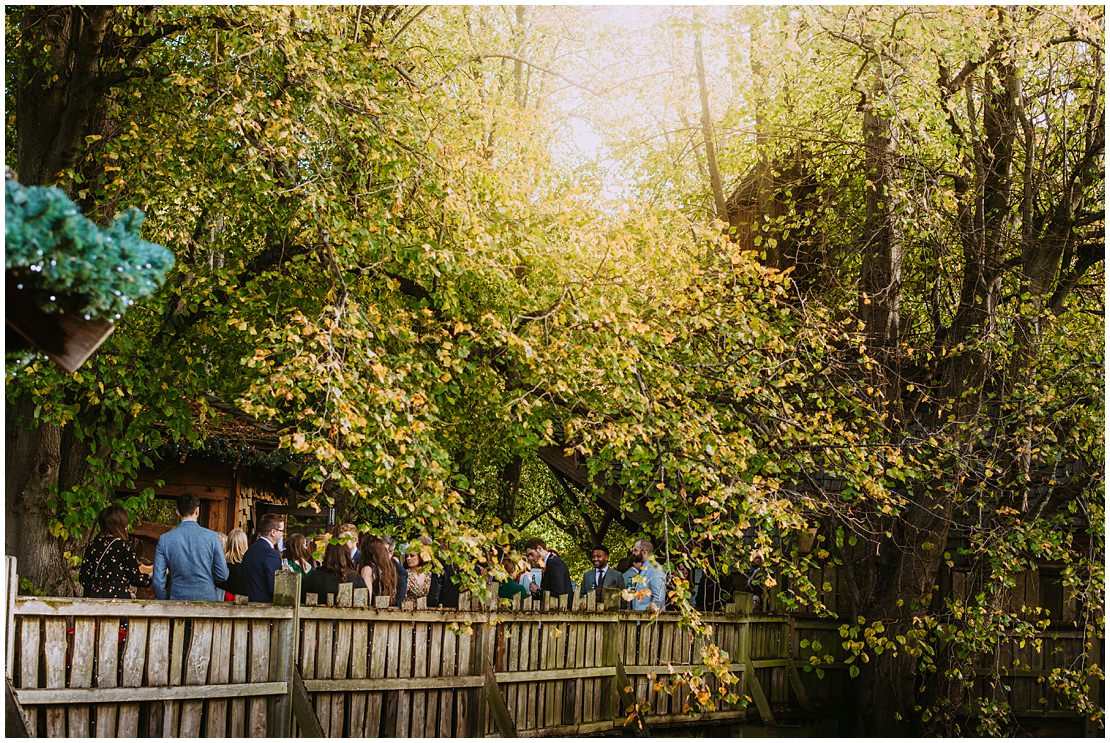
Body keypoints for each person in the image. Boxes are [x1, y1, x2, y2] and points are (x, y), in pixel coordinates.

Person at [153, 493, 228, 601]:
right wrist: (206, 580)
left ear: (177, 512)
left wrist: (165, 600)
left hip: (177, 602)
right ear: (197, 511)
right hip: (208, 602)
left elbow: (158, 582)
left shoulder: (165, 540)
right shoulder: (213, 537)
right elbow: (223, 575)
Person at [79, 505, 153, 599]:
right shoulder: (123, 546)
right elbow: (135, 579)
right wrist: (151, 578)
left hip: (93, 601)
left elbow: (84, 579)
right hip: (118, 602)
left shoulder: (92, 545)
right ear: (120, 525)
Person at [301, 542, 366, 604]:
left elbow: (301, 599)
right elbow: (365, 601)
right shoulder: (357, 579)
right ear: (347, 555)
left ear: (327, 555)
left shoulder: (312, 577)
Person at [241, 512, 285, 602]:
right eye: (282, 531)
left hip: (247, 604)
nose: (283, 534)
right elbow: (274, 587)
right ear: (273, 532)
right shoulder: (271, 554)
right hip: (264, 607)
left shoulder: (251, 549)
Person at [522, 537, 573, 606]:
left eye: (531, 554)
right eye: (528, 556)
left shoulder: (554, 563)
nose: (530, 558)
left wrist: (538, 590)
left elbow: (558, 593)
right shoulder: (550, 563)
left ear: (539, 549)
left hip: (561, 611)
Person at [623, 539, 666, 611]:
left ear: (644, 552)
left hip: (647, 619)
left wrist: (648, 616)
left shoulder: (654, 569)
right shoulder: (645, 569)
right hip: (641, 619)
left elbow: (659, 597)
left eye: (635, 550)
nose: (633, 553)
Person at [357, 535, 398, 606]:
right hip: (385, 611)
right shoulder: (389, 568)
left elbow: (366, 600)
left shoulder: (368, 569)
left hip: (372, 613)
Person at [217, 528, 249, 600]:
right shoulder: (248, 565)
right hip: (242, 603)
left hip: (221, 603)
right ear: (245, 544)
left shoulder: (221, 563)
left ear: (228, 543)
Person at [382, 535, 408, 606]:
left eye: (384, 551)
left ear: (391, 553)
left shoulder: (400, 572)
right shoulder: (371, 566)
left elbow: (399, 598)